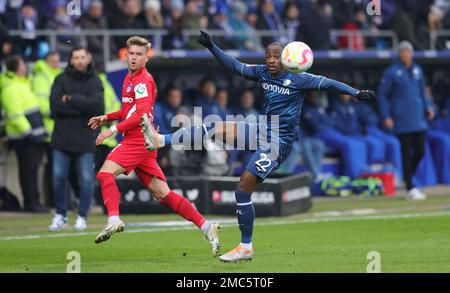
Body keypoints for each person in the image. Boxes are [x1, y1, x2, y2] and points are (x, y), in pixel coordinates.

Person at [141, 30, 375, 262]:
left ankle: (245, 247)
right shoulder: (263, 73)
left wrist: (355, 93)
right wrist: (212, 46)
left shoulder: (300, 77)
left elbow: (330, 84)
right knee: (215, 126)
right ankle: (162, 140)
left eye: (275, 57)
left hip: (278, 142)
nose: (270, 61)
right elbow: (235, 65)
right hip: (263, 129)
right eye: (267, 57)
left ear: (285, 57)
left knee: (243, 188)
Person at [88, 36, 220, 257]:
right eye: (131, 53)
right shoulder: (129, 78)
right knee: (163, 194)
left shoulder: (142, 81)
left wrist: (112, 130)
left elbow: (139, 115)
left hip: (138, 139)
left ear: (146, 58)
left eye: (139, 54)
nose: (133, 57)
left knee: (104, 174)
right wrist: (107, 117)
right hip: (145, 141)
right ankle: (207, 227)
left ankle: (114, 219)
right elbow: (129, 110)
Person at [48, 47, 104, 231]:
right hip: (62, 137)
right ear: (71, 60)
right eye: (76, 57)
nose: (79, 60)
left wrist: (70, 99)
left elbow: (97, 107)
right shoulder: (60, 79)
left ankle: (82, 216)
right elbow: (55, 106)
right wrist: (82, 108)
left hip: (85, 138)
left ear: (88, 59)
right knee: (58, 177)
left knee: (86, 180)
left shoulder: (95, 81)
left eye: (82, 57)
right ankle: (60, 214)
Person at [377, 41, 435, 200]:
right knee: (405, 152)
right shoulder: (391, 72)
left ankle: (407, 177)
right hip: (402, 118)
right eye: (402, 52)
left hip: (419, 117)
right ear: (399, 54)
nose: (405, 54)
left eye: (407, 52)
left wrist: (429, 107)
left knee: (420, 151)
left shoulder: (417, 70)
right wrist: (386, 116)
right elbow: (382, 95)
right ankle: (410, 186)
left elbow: (423, 92)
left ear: (411, 54)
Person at [0, 55, 47, 213]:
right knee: (28, 171)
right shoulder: (11, 88)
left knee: (32, 171)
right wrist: (29, 132)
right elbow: (15, 114)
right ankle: (31, 203)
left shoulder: (23, 84)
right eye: (22, 64)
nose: (25, 67)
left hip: (32, 137)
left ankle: (35, 202)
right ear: (17, 68)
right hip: (25, 138)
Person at [31, 51, 63, 207]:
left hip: (58, 129)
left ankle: (58, 200)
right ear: (46, 61)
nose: (56, 64)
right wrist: (58, 111)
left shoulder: (59, 75)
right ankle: (52, 200)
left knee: (57, 168)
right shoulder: (41, 77)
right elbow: (40, 103)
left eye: (58, 61)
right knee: (52, 168)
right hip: (48, 129)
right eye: (53, 61)